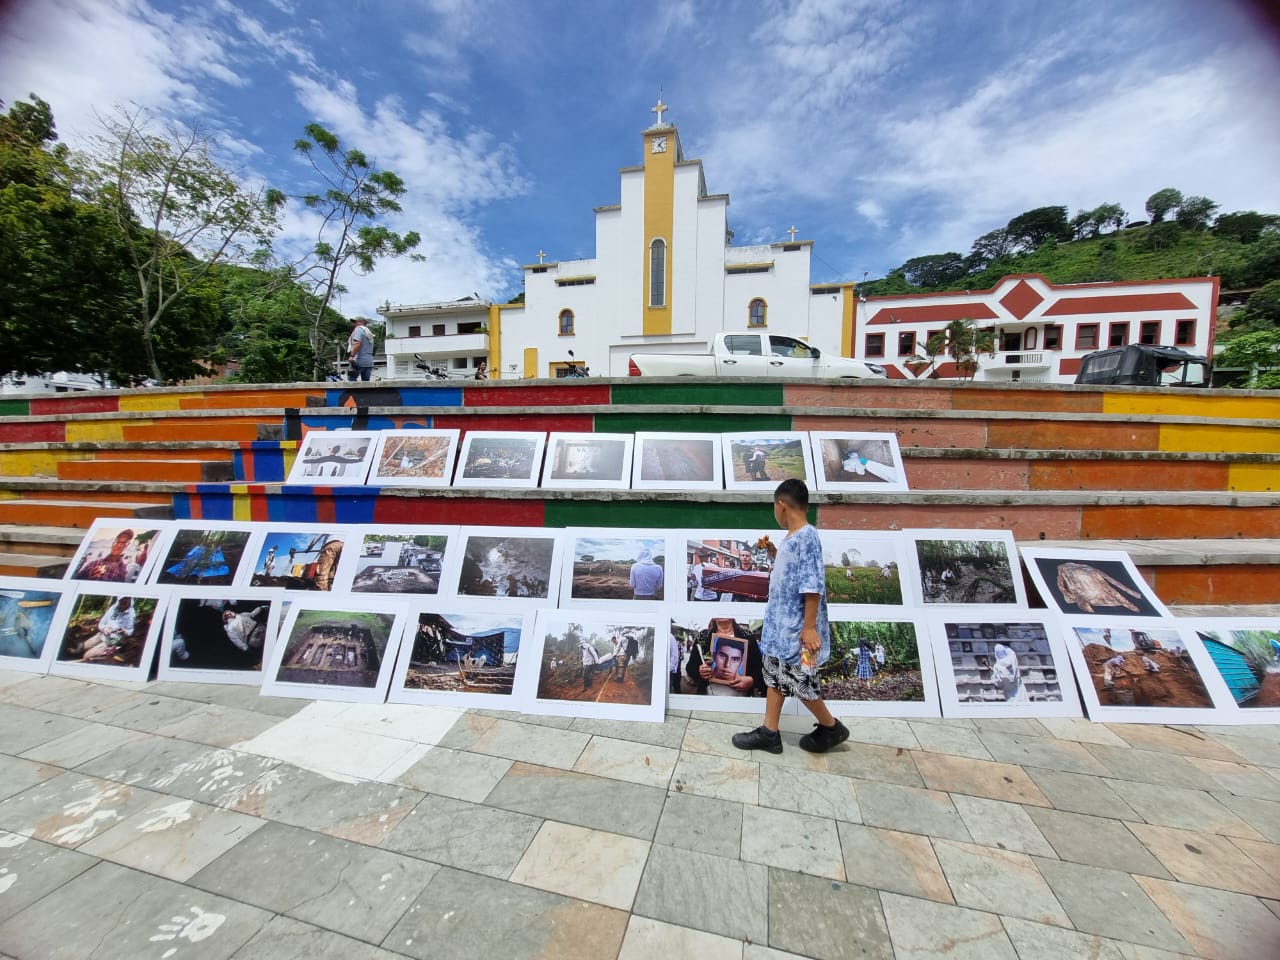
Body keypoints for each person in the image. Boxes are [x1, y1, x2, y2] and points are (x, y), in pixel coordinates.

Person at [731, 479, 849, 754]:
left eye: (775, 506)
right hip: (781, 630)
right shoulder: (792, 538)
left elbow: (812, 584)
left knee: (803, 680)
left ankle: (831, 727)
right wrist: (774, 552)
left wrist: (809, 628)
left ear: (781, 505)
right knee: (774, 675)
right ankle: (769, 732)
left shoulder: (807, 536)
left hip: (799, 633)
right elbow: (790, 572)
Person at [78, 596, 136, 662]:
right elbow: (101, 623)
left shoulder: (131, 614)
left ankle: (108, 652)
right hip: (103, 634)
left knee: (85, 656)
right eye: (122, 600)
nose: (123, 603)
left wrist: (124, 631)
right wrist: (104, 628)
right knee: (82, 647)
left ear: (130, 600)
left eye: (126, 601)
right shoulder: (113, 608)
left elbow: (130, 631)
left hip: (113, 640)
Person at [347, 316, 375, 382]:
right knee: (366, 383)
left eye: (356, 322)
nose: (354, 324)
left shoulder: (359, 329)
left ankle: (355, 392)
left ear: (362, 322)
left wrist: (352, 356)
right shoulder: (368, 332)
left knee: (351, 379)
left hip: (359, 360)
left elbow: (357, 343)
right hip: (369, 361)